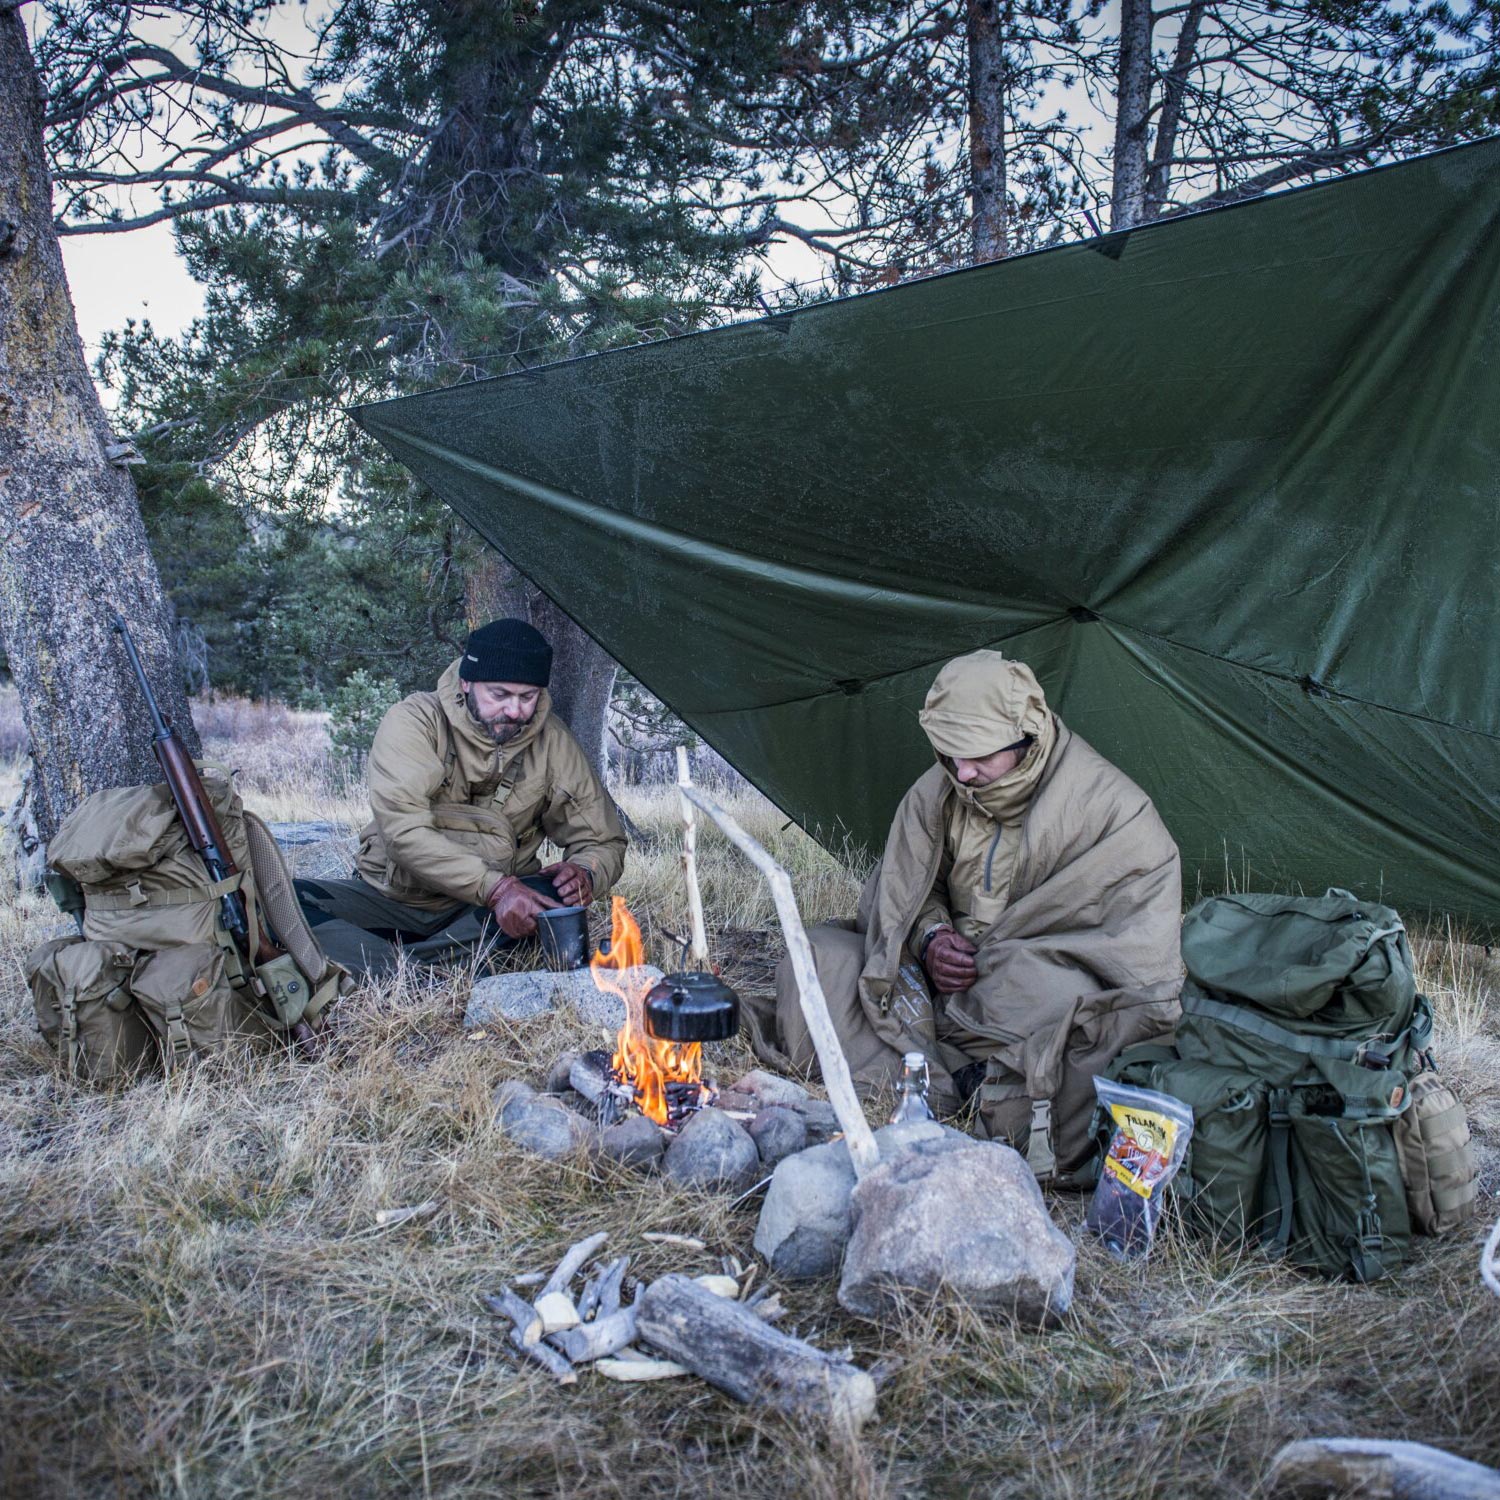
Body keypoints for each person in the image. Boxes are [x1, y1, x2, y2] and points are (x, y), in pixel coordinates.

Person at [772, 649, 1183, 1182]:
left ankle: (936, 1076)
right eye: (949, 753)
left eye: (979, 756)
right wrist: (932, 937)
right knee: (817, 957)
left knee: (1048, 998)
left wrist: (1006, 961)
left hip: (1030, 988)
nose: (963, 772)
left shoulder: (1112, 811)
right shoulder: (939, 791)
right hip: (939, 982)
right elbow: (903, 891)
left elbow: (1139, 959)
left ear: (1027, 738)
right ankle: (960, 1080)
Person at [296, 619, 627, 976]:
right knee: (283, 903)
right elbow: (403, 832)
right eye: (499, 695)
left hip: (483, 917)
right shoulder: (415, 721)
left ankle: (384, 967)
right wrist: (495, 888)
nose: (515, 711)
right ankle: (426, 971)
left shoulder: (553, 743)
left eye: (527, 697)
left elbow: (603, 839)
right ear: (466, 682)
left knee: (550, 898)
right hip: (392, 900)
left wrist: (586, 872)